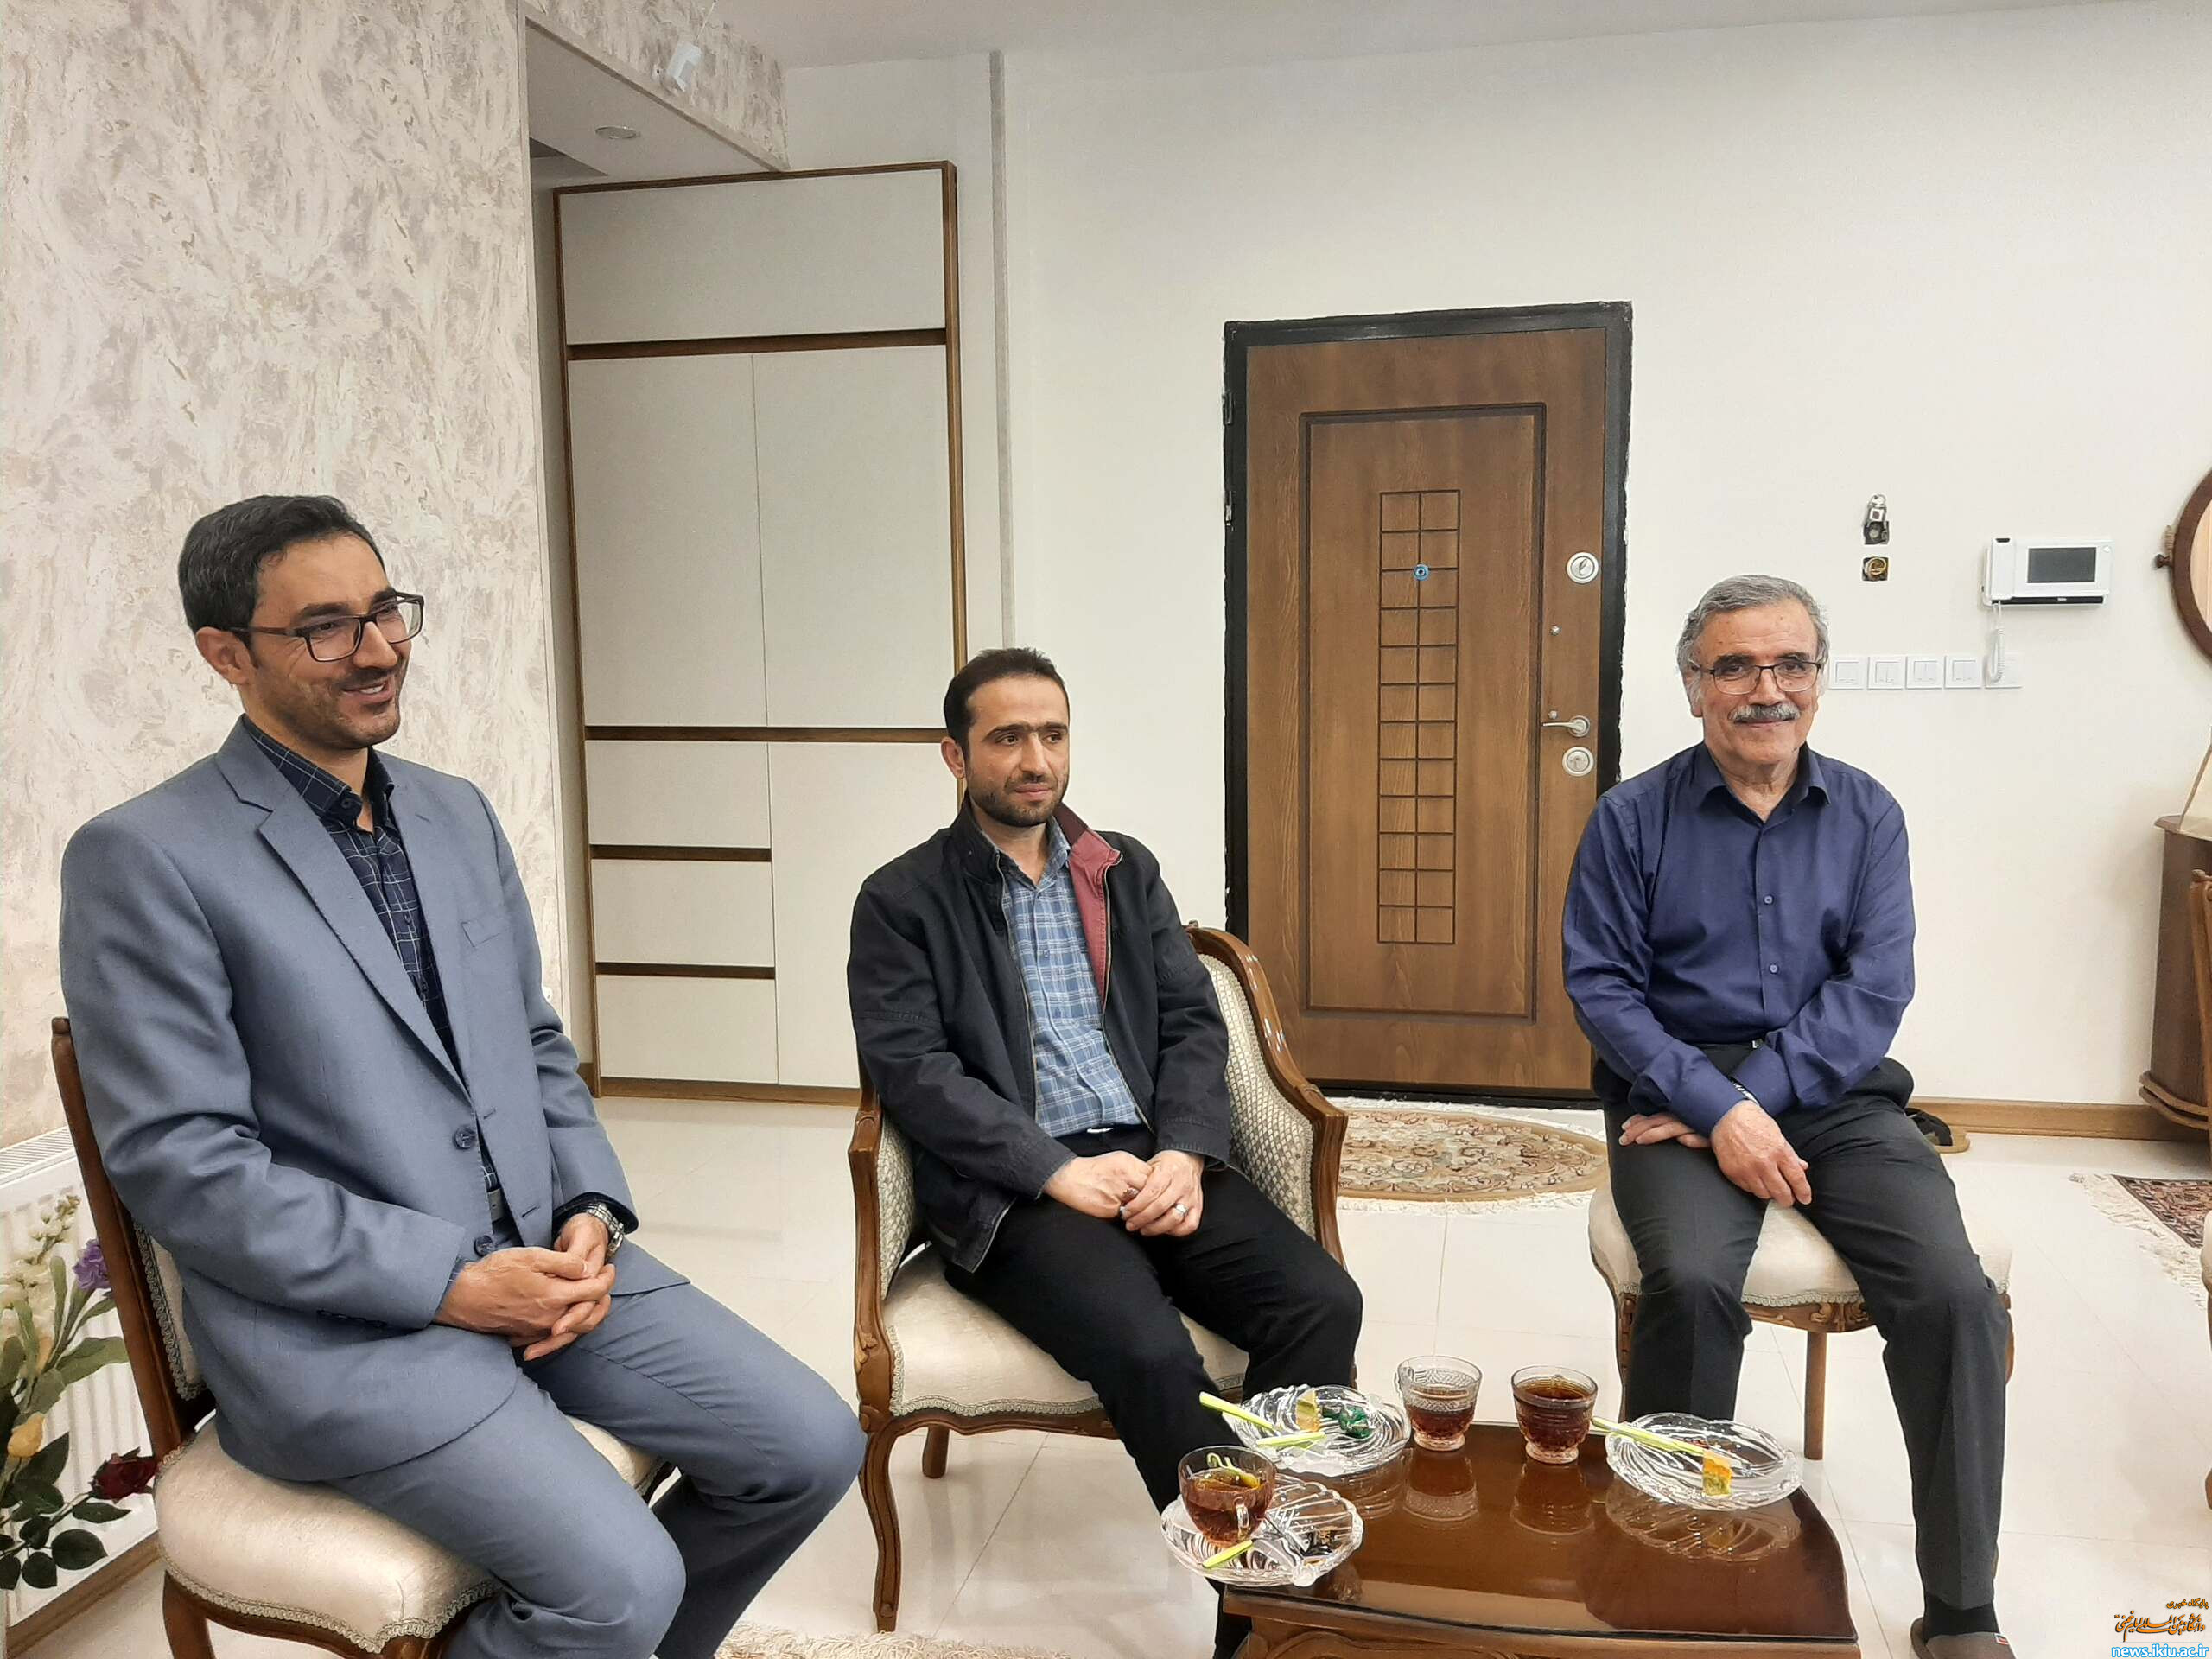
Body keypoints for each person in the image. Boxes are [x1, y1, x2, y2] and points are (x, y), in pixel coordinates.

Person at [60, 495, 861, 1659]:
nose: (378, 649)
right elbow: (186, 1169)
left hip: (546, 1263)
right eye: (325, 628)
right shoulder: (145, 856)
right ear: (225, 654)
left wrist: (591, 1207)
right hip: (345, 1332)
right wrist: (450, 1283)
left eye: (385, 609)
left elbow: (531, 1043)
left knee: (810, 1448)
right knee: (619, 1585)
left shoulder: (454, 813)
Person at [847, 647, 1363, 1659]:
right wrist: (1052, 1169)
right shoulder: (902, 898)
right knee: (1149, 1353)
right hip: (1015, 1187)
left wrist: (1185, 1152)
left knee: (1320, 1302)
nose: (1035, 760)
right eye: (1006, 738)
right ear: (956, 756)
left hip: (1152, 1156)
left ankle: (1278, 1569)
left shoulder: (1120, 868)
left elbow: (1190, 1024)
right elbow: (913, 1072)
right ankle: (1261, 1611)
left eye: (1052, 734)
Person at [1561, 575, 2012, 1659]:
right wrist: (1708, 1102)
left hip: (1835, 1090)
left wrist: (1747, 1102)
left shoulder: (1866, 814)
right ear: (1692, 686)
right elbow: (1602, 988)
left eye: (1790, 664)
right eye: (1734, 667)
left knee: (1954, 1297)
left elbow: (1875, 988)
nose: (1766, 689)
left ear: (1817, 679)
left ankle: (1961, 1610)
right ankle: (1665, 1575)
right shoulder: (1630, 817)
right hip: (1677, 1090)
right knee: (1689, 1282)